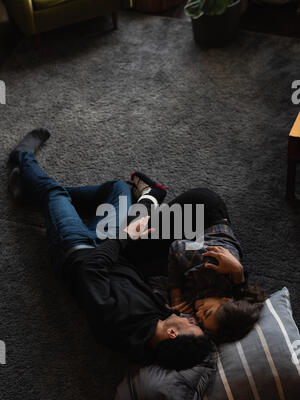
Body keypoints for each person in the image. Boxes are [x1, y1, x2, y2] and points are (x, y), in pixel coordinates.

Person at [7, 129, 215, 371]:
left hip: (76, 248)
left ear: (172, 334)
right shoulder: (157, 323)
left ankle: (22, 157)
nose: (191, 318)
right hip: (109, 244)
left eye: (191, 324)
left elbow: (90, 269)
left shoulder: (118, 324)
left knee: (54, 193)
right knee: (119, 189)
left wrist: (126, 236)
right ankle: (30, 196)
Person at [125, 179, 266, 344]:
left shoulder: (222, 303)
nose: (198, 315)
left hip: (194, 240)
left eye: (202, 321)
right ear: (225, 300)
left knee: (139, 268)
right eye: (206, 312)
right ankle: (151, 193)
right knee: (129, 240)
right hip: (200, 210)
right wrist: (175, 293)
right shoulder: (213, 268)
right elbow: (178, 247)